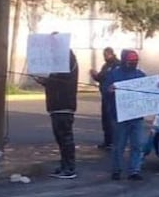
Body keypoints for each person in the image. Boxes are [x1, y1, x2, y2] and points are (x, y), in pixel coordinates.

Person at [33, 49, 79, 179]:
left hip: (64, 105)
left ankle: (69, 168)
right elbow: (56, 80)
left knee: (65, 138)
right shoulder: (61, 61)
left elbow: (60, 79)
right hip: (56, 105)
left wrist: (46, 80)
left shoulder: (67, 60)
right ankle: (65, 165)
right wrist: (44, 81)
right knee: (61, 139)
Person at [106, 49, 147, 181]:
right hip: (120, 115)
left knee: (137, 144)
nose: (133, 63)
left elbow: (149, 91)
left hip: (137, 116)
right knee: (119, 144)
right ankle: (116, 170)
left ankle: (134, 170)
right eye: (130, 61)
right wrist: (109, 89)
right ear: (124, 61)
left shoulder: (140, 75)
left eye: (135, 61)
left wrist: (157, 86)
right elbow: (105, 89)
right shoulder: (114, 74)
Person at [90, 47, 119, 150]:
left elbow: (111, 78)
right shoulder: (106, 65)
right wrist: (94, 75)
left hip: (113, 97)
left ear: (111, 54)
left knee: (112, 120)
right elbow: (101, 78)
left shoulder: (117, 65)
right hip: (105, 96)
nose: (105, 57)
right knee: (105, 120)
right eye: (104, 55)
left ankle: (114, 141)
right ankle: (107, 141)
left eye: (106, 55)